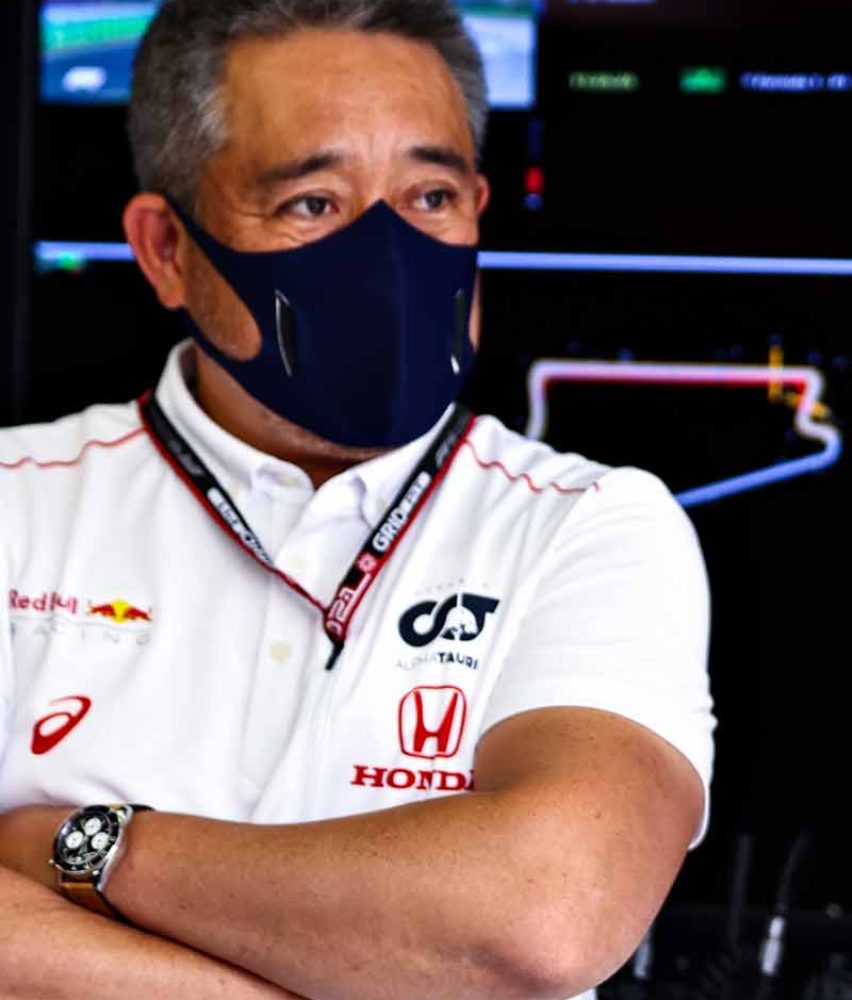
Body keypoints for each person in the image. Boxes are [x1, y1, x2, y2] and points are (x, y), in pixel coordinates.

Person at [0, 2, 713, 997]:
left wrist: (84, 851)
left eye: (430, 196)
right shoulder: (15, 508)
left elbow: (548, 913)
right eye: (311, 204)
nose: (387, 254)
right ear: (165, 248)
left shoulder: (589, 526)